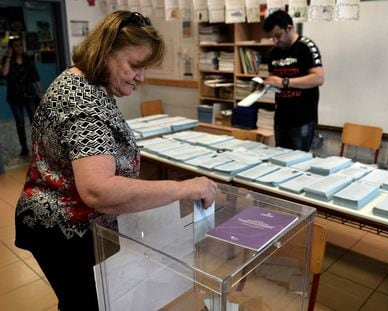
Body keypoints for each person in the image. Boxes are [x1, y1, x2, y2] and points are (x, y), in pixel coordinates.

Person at [14, 11, 218, 311]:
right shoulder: (82, 101)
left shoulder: (88, 85)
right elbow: (99, 191)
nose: (142, 77)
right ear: (106, 52)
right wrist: (183, 188)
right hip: (62, 229)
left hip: (72, 224)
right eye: (135, 65)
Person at [263, 10, 324, 151]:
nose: (275, 41)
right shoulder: (274, 52)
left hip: (302, 118)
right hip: (281, 118)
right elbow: (273, 78)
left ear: (289, 28)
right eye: (272, 37)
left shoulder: (306, 46)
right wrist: (266, 84)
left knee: (298, 163)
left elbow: (319, 78)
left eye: (278, 35)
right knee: (280, 161)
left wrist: (285, 82)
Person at [1, 38, 43, 156]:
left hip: (29, 95)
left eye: (20, 45)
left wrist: (40, 92)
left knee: (34, 122)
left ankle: (38, 147)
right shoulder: (7, 59)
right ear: (11, 48)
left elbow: (35, 76)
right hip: (14, 97)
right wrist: (9, 56)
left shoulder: (28, 59)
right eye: (16, 45)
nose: (19, 47)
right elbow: (4, 73)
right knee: (20, 123)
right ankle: (24, 148)